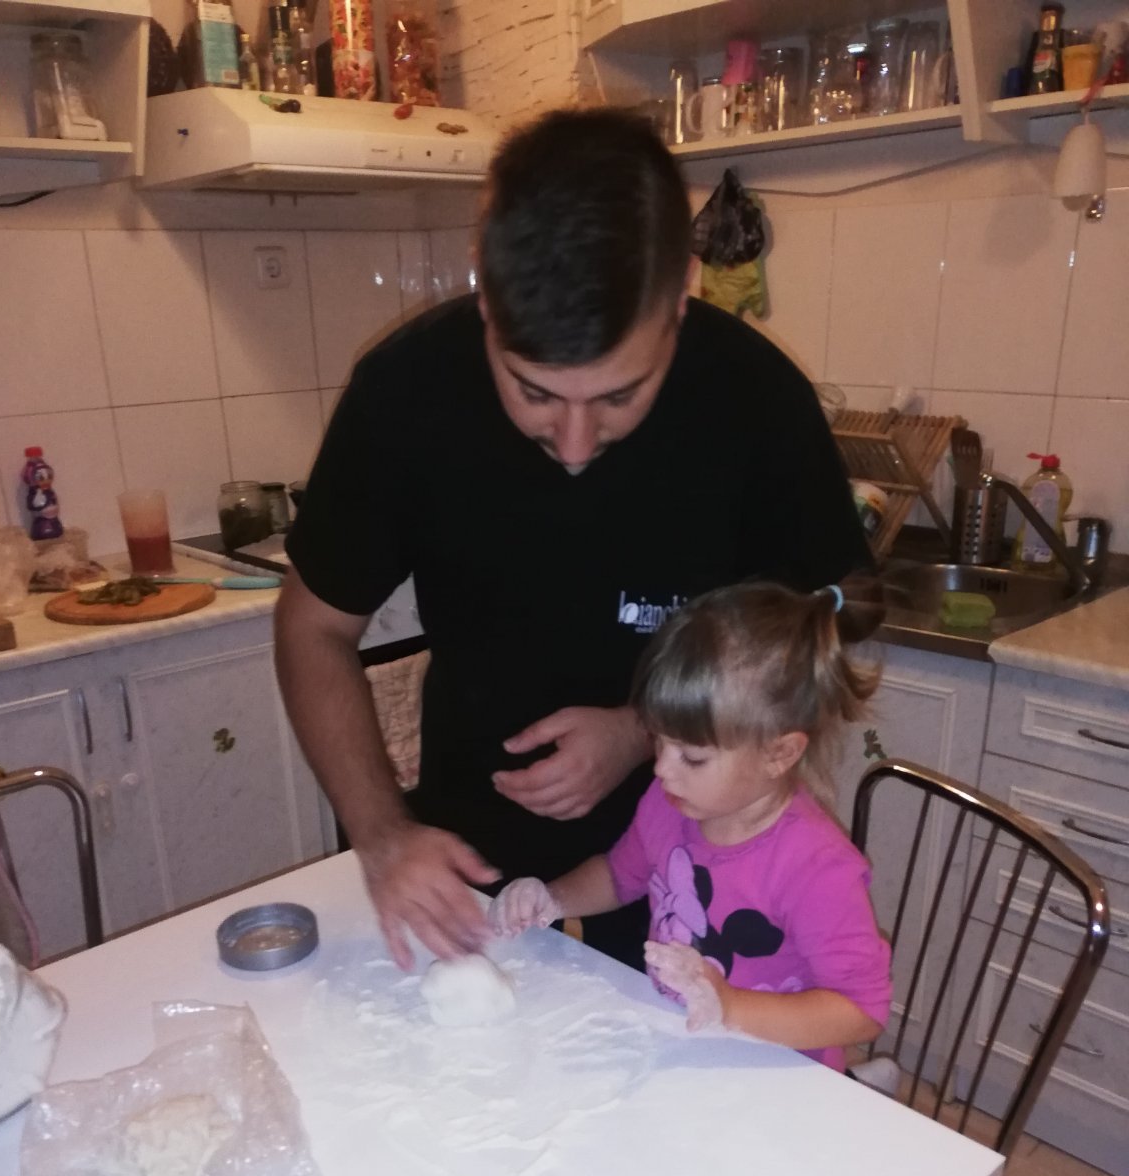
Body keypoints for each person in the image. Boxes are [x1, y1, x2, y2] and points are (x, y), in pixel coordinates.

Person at [277, 106, 877, 973]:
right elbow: (314, 628)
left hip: (701, 872)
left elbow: (846, 607)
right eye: (535, 394)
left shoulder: (754, 398)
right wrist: (381, 835)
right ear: (487, 298)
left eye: (618, 397)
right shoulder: (407, 393)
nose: (573, 445)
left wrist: (643, 728)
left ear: (681, 296)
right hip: (471, 870)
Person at [489, 583, 891, 1070]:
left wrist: (732, 1006)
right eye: (659, 742)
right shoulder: (670, 804)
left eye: (692, 757)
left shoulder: (816, 867)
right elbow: (620, 875)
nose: (662, 769)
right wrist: (553, 898)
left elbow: (861, 1011)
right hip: (683, 1045)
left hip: (777, 1075)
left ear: (779, 754)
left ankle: (868, 1079)